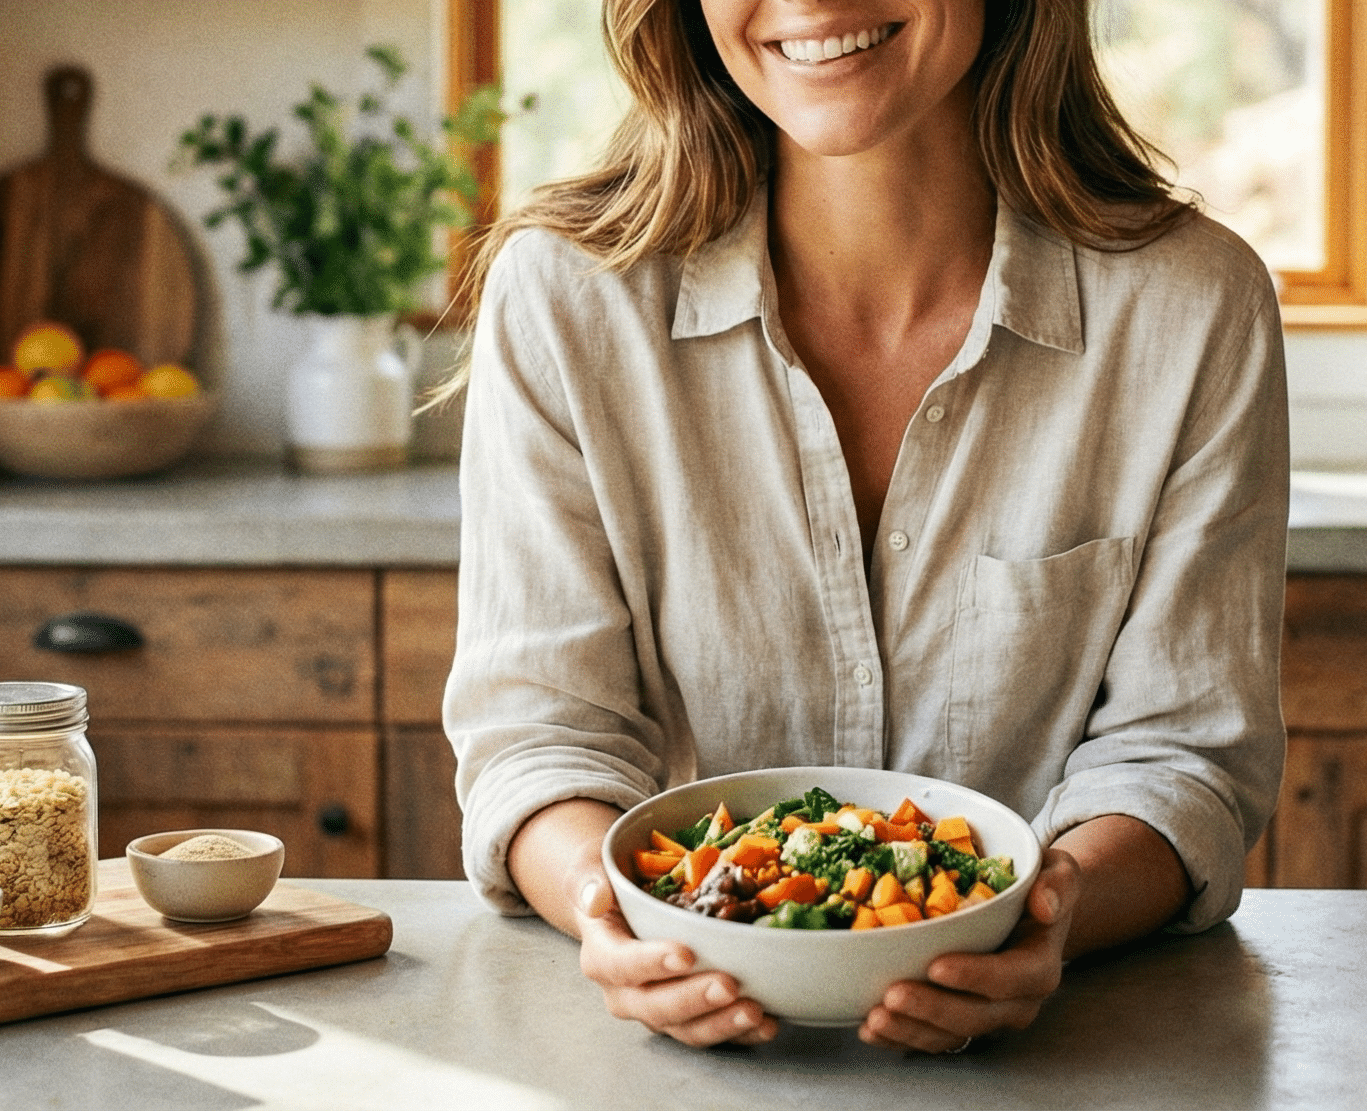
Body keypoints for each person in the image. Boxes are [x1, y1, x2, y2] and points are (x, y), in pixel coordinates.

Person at [439, 0, 1288, 1055]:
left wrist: (1049, 918)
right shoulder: (564, 297)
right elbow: (539, 737)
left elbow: (1186, 757)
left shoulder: (1194, 306)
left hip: (1069, 1060)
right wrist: (615, 912)